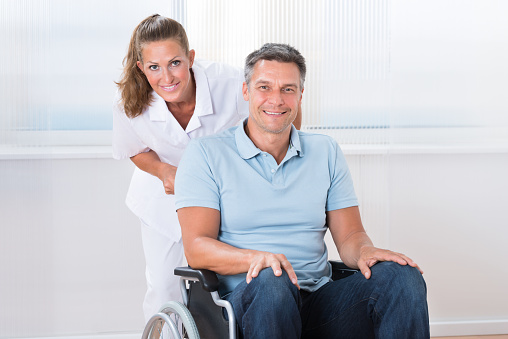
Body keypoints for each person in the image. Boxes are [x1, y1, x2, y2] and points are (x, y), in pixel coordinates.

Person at [175, 43, 429, 338]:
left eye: (288, 89)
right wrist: (258, 259)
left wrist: (365, 251)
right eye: (264, 87)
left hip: (318, 303)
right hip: (247, 303)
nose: (276, 100)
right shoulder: (206, 154)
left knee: (402, 277)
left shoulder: (325, 151)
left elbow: (349, 236)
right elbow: (196, 248)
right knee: (272, 280)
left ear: (300, 95)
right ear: (245, 91)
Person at [112, 15, 303, 322]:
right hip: (165, 198)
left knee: (233, 278)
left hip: (228, 192)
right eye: (154, 67)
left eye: (175, 62)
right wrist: (163, 171)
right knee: (164, 287)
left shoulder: (229, 84)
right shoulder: (130, 104)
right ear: (140, 67)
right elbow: (134, 150)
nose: (167, 77)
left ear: (190, 57)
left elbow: (280, 113)